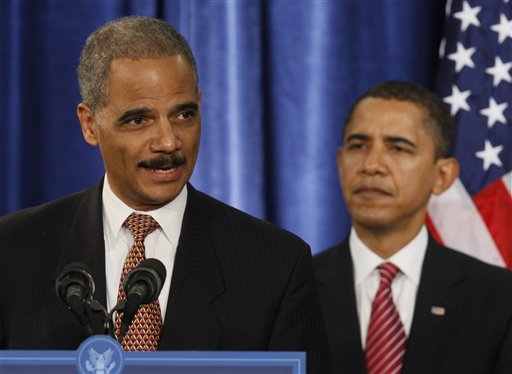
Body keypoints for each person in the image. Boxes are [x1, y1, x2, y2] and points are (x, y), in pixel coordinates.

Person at [0, 16, 330, 373]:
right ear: (90, 124)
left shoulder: (276, 265)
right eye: (138, 120)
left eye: (184, 114)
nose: (169, 141)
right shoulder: (13, 250)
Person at [314, 80, 512, 373]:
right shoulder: (292, 290)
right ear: (340, 163)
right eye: (358, 145)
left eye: (398, 148)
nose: (371, 164)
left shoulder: (501, 300)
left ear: (442, 176)